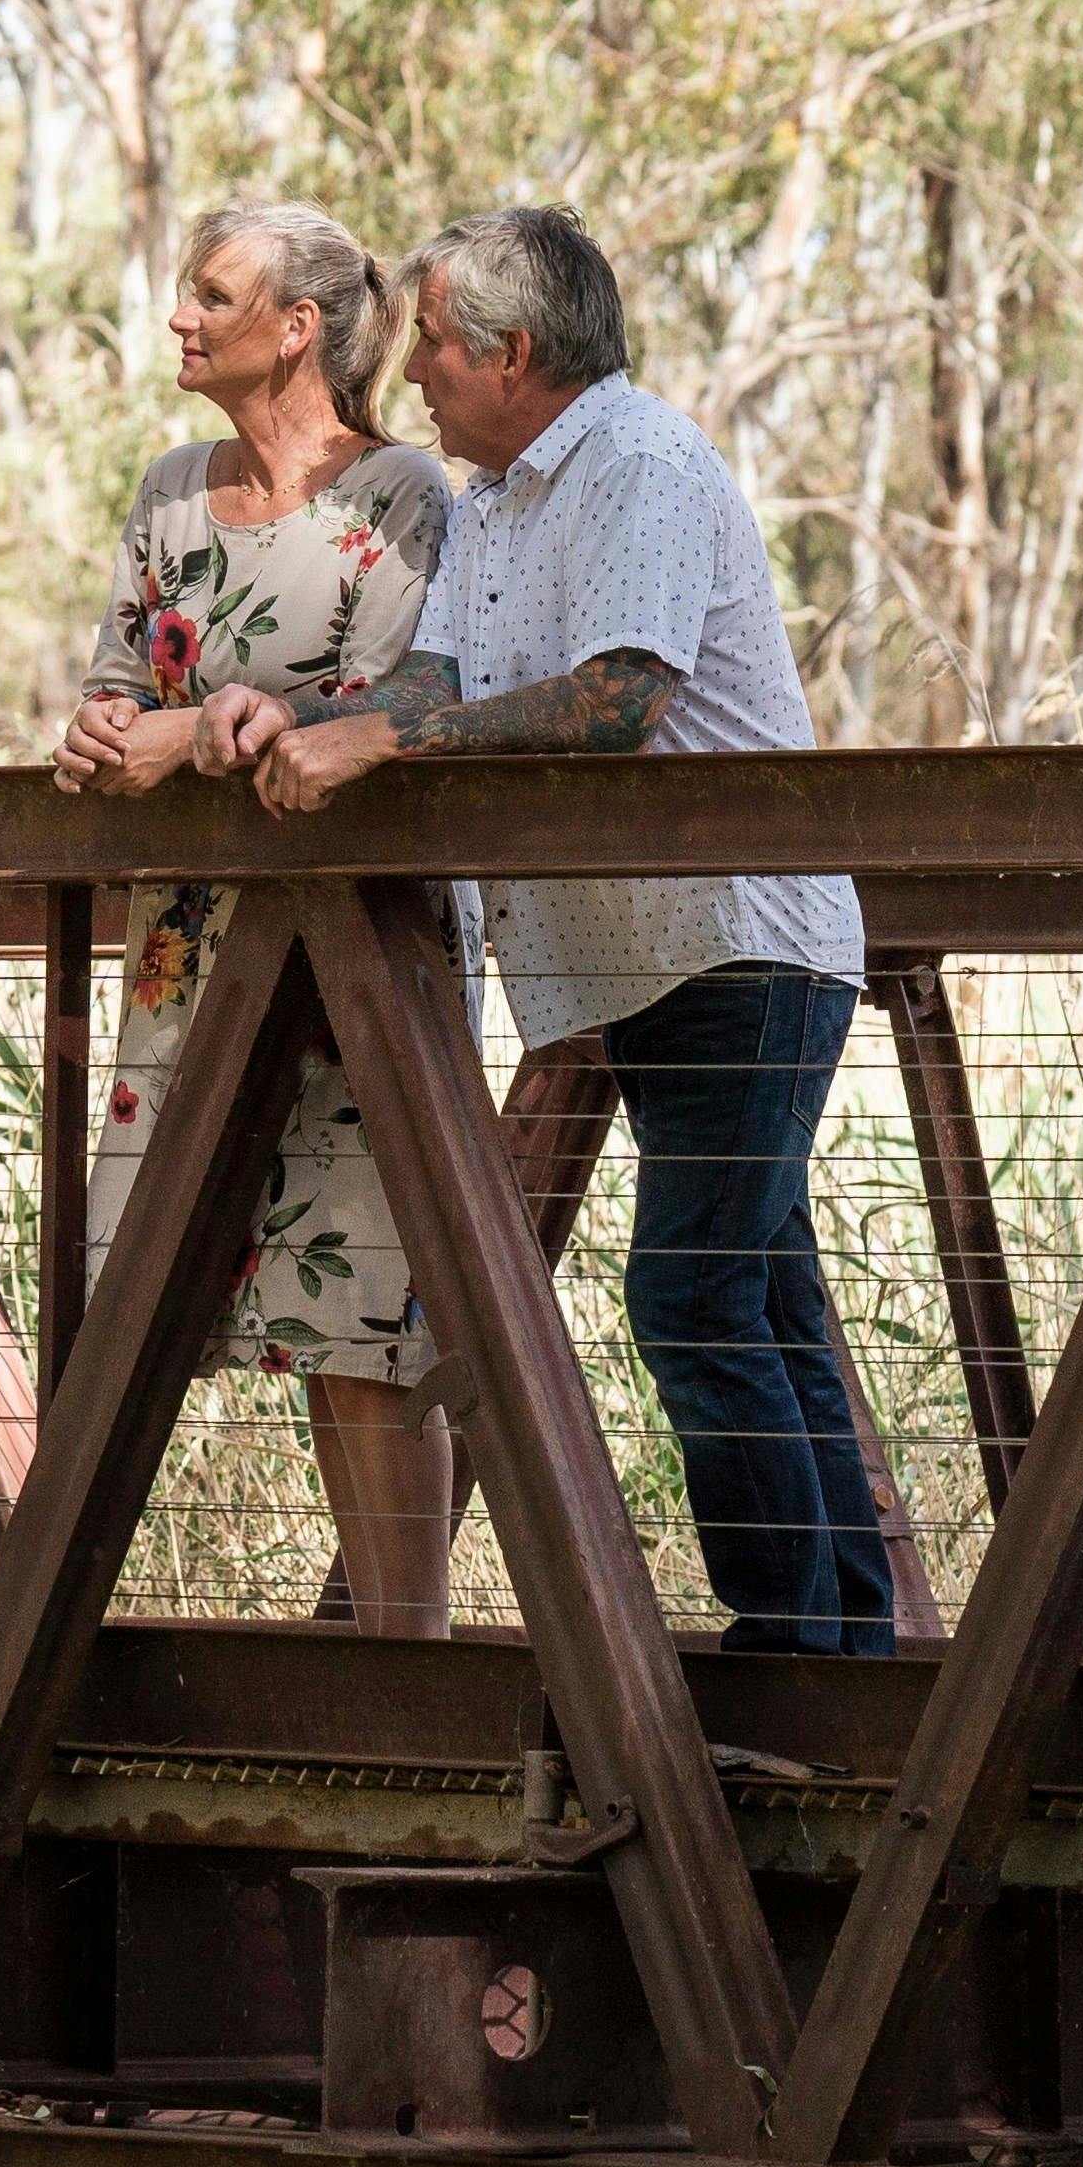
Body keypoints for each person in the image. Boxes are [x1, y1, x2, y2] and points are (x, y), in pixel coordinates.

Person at [209, 202, 891, 1656]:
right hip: (642, 960)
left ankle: (796, 1653)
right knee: (759, 1292)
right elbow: (434, 682)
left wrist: (387, 754)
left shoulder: (640, 461)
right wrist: (304, 718)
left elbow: (618, 697)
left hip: (739, 939)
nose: (417, 382)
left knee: (696, 1289)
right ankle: (847, 1649)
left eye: (440, 353)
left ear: (514, 354)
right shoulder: (503, 498)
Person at [49, 201, 462, 1633]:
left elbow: (401, 701)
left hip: (355, 960)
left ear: (298, 328)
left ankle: (409, 1667)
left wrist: (201, 739)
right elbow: (121, 671)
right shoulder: (170, 486)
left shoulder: (402, 497)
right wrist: (107, 736)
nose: (180, 317)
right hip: (188, 962)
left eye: (210, 295)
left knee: (365, 1324)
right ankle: (78, 1648)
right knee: (167, 1296)